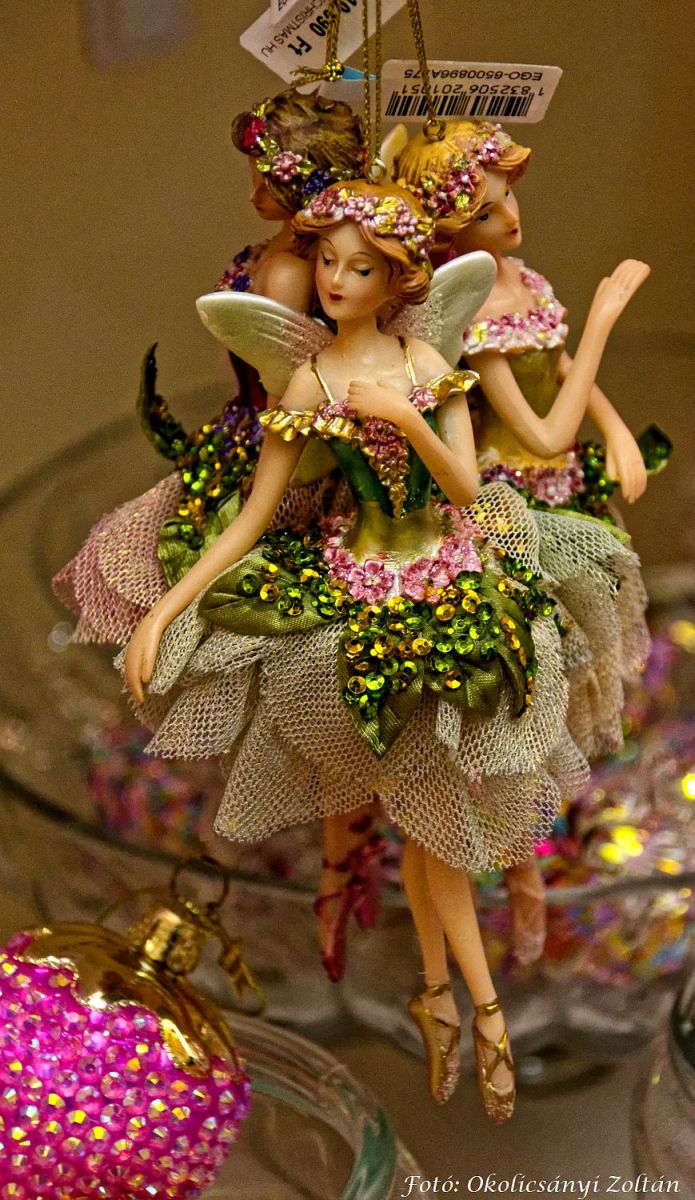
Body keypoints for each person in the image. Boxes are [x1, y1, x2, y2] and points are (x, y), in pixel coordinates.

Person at [121, 179, 646, 1117]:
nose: (334, 281)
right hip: (355, 592)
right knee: (417, 806)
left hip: (450, 580)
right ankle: (465, 1005)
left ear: (396, 279)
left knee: (437, 804)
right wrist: (166, 611)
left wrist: (405, 417)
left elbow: (462, 486)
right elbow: (251, 518)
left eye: (358, 268)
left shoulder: (424, 362)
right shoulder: (309, 381)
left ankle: (460, 1000)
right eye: (327, 262)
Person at [396, 119, 653, 964]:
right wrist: (605, 317)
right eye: (483, 212)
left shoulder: (524, 281)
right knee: (520, 689)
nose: (509, 218)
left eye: (507, 198)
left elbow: (564, 368)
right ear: (447, 234)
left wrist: (616, 432)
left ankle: (536, 853)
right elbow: (543, 432)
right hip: (513, 517)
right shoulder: (471, 309)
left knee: (570, 684)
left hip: (565, 492)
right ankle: (512, 863)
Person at [52, 88, 362, 645]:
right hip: (241, 421)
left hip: (270, 436)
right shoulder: (276, 253)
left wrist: (270, 465)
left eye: (264, 183)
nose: (252, 195)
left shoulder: (291, 272)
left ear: (301, 188)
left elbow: (283, 376)